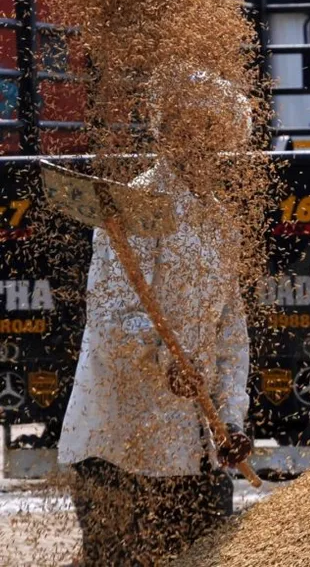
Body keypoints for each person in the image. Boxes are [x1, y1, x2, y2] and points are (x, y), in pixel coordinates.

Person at [58, 76, 254, 564]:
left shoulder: (219, 224)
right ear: (166, 133)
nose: (202, 142)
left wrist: (229, 420)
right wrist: (166, 358)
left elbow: (230, 338)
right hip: (120, 444)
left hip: (196, 446)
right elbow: (109, 319)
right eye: (189, 129)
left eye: (213, 131)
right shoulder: (133, 209)